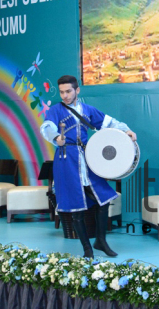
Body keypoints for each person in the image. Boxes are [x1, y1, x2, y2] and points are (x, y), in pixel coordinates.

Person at [40, 75, 136, 258]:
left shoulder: (88, 110)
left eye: (68, 91)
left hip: (88, 158)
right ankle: (87, 249)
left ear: (77, 90)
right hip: (66, 160)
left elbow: (109, 122)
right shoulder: (55, 110)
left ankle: (100, 241)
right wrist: (55, 137)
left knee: (103, 199)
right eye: (61, 92)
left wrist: (126, 130)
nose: (65, 96)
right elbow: (46, 127)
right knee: (74, 204)